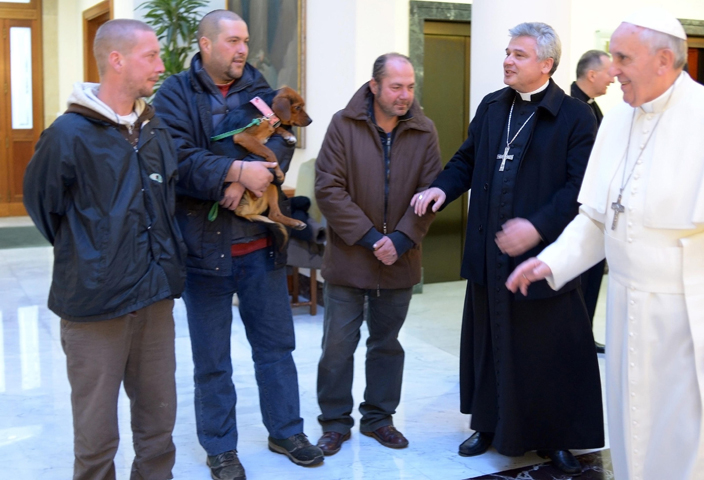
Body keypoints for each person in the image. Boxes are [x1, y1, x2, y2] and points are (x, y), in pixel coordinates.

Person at [507, 8, 704, 480]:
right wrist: (551, 262)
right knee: (636, 432)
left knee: (699, 442)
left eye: (623, 57)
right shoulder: (616, 121)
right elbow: (596, 218)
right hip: (630, 309)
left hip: (697, 319)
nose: (613, 70)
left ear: (664, 60)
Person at [413, 23, 604, 474]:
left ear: (546, 64)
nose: (507, 61)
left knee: (546, 350)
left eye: (518, 55)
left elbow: (580, 188)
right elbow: (467, 158)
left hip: (543, 258)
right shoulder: (493, 106)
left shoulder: (575, 117)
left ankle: (554, 435)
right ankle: (489, 423)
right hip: (489, 252)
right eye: (507, 52)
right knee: (490, 342)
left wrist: (536, 227)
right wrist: (443, 188)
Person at [153, 9, 323, 478]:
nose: (243, 49)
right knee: (212, 360)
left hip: (259, 247)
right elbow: (176, 158)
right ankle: (220, 447)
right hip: (203, 251)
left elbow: (283, 137)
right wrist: (232, 171)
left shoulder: (259, 87)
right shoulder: (174, 95)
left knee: (276, 348)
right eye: (232, 41)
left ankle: (286, 430)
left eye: (245, 40)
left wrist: (252, 180)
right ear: (206, 45)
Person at [23, 19, 185, 480]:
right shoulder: (67, 135)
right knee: (95, 440)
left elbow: (166, 200)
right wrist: (95, 256)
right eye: (150, 56)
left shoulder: (156, 130)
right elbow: (45, 209)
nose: (160, 65)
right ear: (116, 60)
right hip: (95, 305)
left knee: (159, 429)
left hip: (154, 297)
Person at [313, 53, 442, 456]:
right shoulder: (343, 124)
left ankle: (379, 418)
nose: (404, 95)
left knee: (387, 345)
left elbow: (433, 192)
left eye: (410, 87)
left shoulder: (425, 131)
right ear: (375, 86)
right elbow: (328, 189)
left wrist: (402, 239)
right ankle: (334, 423)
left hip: (400, 260)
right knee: (337, 347)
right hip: (351, 258)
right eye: (396, 87)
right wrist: (372, 238)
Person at [571, 49, 615, 354]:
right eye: (609, 71)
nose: (613, 77)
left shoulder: (593, 107)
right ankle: (575, 334)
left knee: (592, 277)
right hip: (579, 207)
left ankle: (584, 331)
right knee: (579, 277)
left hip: (597, 205)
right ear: (592, 74)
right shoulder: (573, 107)